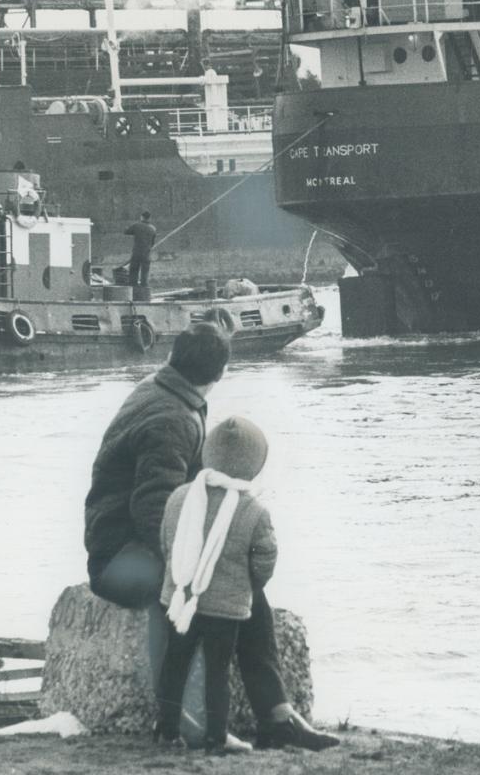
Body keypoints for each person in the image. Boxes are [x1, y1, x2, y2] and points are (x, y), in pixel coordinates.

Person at [82, 323, 339, 751]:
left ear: (173, 356)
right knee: (224, 580)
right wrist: (205, 563)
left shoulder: (164, 390)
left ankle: (275, 714)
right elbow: (154, 513)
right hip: (120, 561)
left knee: (238, 580)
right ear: (220, 372)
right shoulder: (172, 419)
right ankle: (192, 723)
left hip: (120, 546)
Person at [155, 416, 275, 754]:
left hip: (180, 599)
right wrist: (248, 586)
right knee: (217, 671)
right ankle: (215, 738)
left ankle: (166, 732)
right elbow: (265, 560)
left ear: (208, 453)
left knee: (174, 665)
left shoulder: (180, 497)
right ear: (254, 465)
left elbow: (166, 542)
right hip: (226, 607)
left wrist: (179, 580)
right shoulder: (253, 510)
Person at [125, 211, 158, 289]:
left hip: (137, 252)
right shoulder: (153, 228)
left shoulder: (137, 225)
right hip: (147, 253)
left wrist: (126, 227)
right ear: (149, 218)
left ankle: (133, 287)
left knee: (133, 270)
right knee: (145, 271)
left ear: (142, 217)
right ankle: (144, 287)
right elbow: (153, 243)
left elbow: (127, 232)